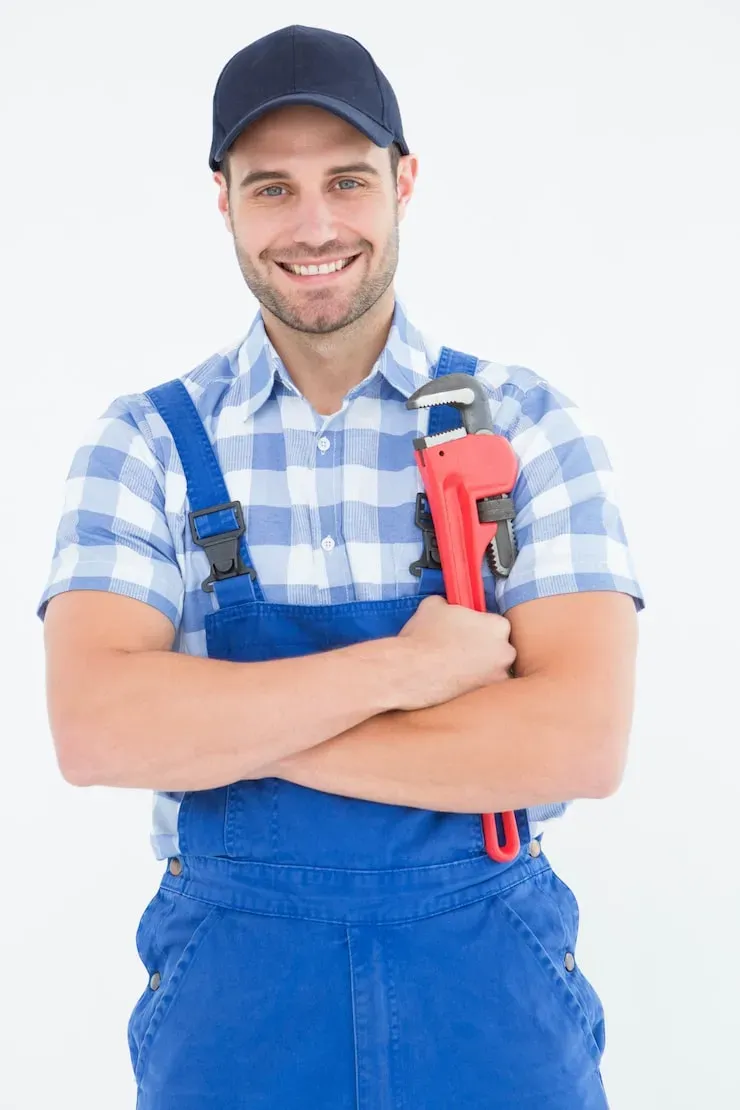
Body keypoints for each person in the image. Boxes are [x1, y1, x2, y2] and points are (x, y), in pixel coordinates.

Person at [37, 23, 645, 1109]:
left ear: (404, 183)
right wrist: (401, 676)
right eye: (271, 189)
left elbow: (577, 742)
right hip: (237, 1016)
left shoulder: (524, 427)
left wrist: (230, 729)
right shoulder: (142, 445)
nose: (313, 226)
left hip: (488, 1002)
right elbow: (98, 731)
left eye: (347, 182)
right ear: (220, 197)